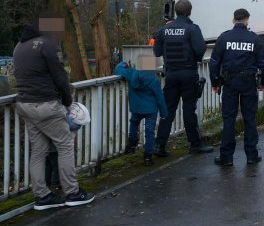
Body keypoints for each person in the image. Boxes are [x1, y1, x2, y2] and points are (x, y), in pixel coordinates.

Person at [13, 24, 95, 210]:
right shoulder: (47, 45)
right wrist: (67, 102)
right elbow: (60, 77)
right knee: (65, 145)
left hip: (24, 104)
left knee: (38, 150)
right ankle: (72, 193)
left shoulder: (19, 46)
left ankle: (42, 196)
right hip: (46, 105)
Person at [209, 8, 264, 166]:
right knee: (250, 118)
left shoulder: (224, 38)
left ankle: (226, 157)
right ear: (247, 20)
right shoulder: (254, 39)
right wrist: (263, 81)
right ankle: (251, 155)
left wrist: (215, 83)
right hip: (249, 83)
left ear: (233, 20)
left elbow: (214, 62)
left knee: (229, 119)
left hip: (229, 83)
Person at [153, 0, 213, 156]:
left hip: (171, 75)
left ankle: (159, 146)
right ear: (190, 11)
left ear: (176, 12)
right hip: (188, 74)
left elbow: (157, 53)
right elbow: (200, 50)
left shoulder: (163, 30)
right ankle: (195, 144)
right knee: (189, 109)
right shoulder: (192, 29)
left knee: (168, 110)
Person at [115, 57, 169, 166]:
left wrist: (124, 64)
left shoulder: (131, 74)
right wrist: (164, 113)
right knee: (149, 132)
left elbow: (118, 69)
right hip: (151, 110)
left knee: (134, 123)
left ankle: (131, 143)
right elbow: (160, 98)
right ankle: (148, 157)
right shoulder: (154, 80)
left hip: (136, 108)